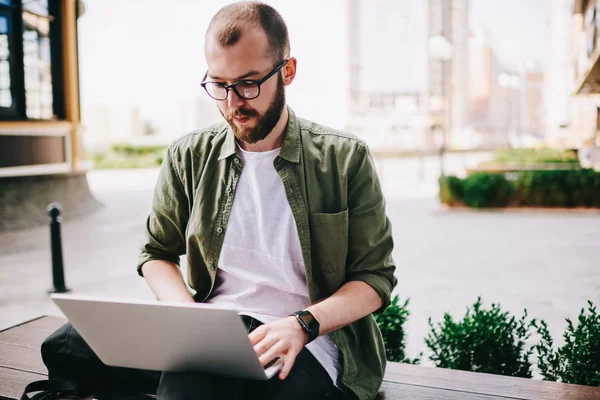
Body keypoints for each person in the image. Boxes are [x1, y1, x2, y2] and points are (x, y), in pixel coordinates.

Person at [42, 2, 396, 400]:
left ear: (288, 71)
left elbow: (374, 280)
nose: (232, 104)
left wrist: (301, 324)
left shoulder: (344, 158)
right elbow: (157, 253)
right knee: (67, 344)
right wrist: (187, 319)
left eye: (248, 84)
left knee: (193, 384)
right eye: (218, 85)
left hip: (306, 338)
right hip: (212, 326)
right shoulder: (188, 155)